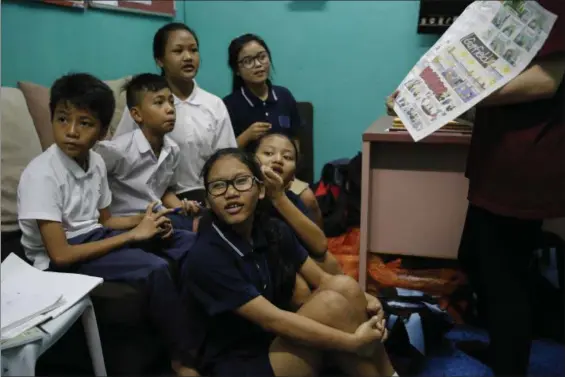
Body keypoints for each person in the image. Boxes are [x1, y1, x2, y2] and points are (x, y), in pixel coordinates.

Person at [387, 1, 564, 374]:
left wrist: (450, 94)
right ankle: (507, 345)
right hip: (496, 154)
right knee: (476, 258)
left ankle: (511, 360)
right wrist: (419, 96)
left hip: (524, 158)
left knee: (505, 275)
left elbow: (550, 78)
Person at [17, 73, 197, 376]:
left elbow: (107, 220)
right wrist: (131, 238)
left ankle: (208, 324)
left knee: (185, 241)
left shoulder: (97, 162)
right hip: (57, 259)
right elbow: (59, 255)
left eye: (84, 123)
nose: (71, 131)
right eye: (62, 119)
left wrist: (146, 221)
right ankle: (183, 360)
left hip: (94, 236)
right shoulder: (41, 175)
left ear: (102, 132)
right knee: (153, 268)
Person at [180, 148, 397, 377]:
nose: (231, 193)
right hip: (240, 362)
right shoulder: (206, 256)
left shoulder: (272, 229)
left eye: (241, 181)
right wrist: (353, 342)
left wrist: (370, 303)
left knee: (343, 286)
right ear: (208, 200)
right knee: (331, 305)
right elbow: (274, 320)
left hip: (271, 341)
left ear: (261, 189)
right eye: (218, 186)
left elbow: (324, 279)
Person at [112, 22, 237, 203]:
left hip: (208, 198)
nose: (188, 57)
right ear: (159, 60)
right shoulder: (144, 105)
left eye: (193, 50)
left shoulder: (214, 104)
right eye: (178, 51)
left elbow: (227, 160)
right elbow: (121, 157)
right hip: (152, 199)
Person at [96, 73, 199, 232]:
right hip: (125, 226)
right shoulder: (116, 151)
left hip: (159, 219)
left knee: (206, 224)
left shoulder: (172, 150)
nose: (170, 109)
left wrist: (182, 207)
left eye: (171, 102)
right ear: (137, 114)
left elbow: (163, 190)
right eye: (159, 103)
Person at [223, 33, 310, 197]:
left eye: (262, 57)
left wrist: (291, 172)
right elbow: (225, 154)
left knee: (309, 199)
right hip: (247, 180)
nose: (258, 64)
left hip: (286, 177)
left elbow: (296, 141)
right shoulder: (228, 105)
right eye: (248, 61)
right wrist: (247, 136)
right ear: (237, 70)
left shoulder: (284, 96)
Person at [253, 132, 340, 276]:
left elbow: (320, 246)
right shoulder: (245, 196)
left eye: (287, 157)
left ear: (293, 175)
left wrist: (278, 197)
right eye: (268, 153)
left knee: (330, 263)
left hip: (289, 260)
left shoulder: (290, 199)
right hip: (260, 266)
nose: (278, 160)